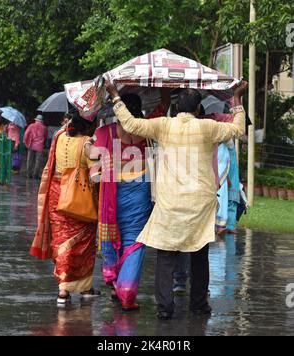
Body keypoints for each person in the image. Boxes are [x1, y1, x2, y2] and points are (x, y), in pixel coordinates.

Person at [105, 79, 248, 319]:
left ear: (177, 107)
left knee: (166, 255)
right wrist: (237, 98)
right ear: (198, 109)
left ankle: (164, 308)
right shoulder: (207, 127)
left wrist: (114, 95)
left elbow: (129, 123)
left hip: (170, 202)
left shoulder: (164, 125)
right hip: (200, 204)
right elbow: (238, 129)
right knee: (199, 255)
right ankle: (199, 305)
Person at [85, 90, 170, 311]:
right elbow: (163, 106)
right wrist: (163, 88)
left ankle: (116, 285)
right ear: (139, 109)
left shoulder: (106, 131)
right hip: (141, 189)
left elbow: (92, 155)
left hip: (113, 190)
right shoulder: (147, 128)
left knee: (114, 235)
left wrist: (88, 146)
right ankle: (126, 291)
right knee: (135, 240)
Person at [30, 110, 100, 304]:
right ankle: (84, 288)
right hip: (79, 197)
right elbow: (95, 176)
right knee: (83, 245)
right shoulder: (87, 143)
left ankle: (63, 289)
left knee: (61, 241)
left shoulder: (59, 137)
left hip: (56, 193)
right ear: (88, 126)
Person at [23, 114, 48, 179]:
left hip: (31, 145)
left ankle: (29, 174)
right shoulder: (44, 128)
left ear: (36, 120)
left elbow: (26, 134)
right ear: (42, 121)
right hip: (40, 146)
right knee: (38, 161)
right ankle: (35, 175)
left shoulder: (31, 126)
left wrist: (25, 142)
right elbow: (45, 137)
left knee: (30, 160)